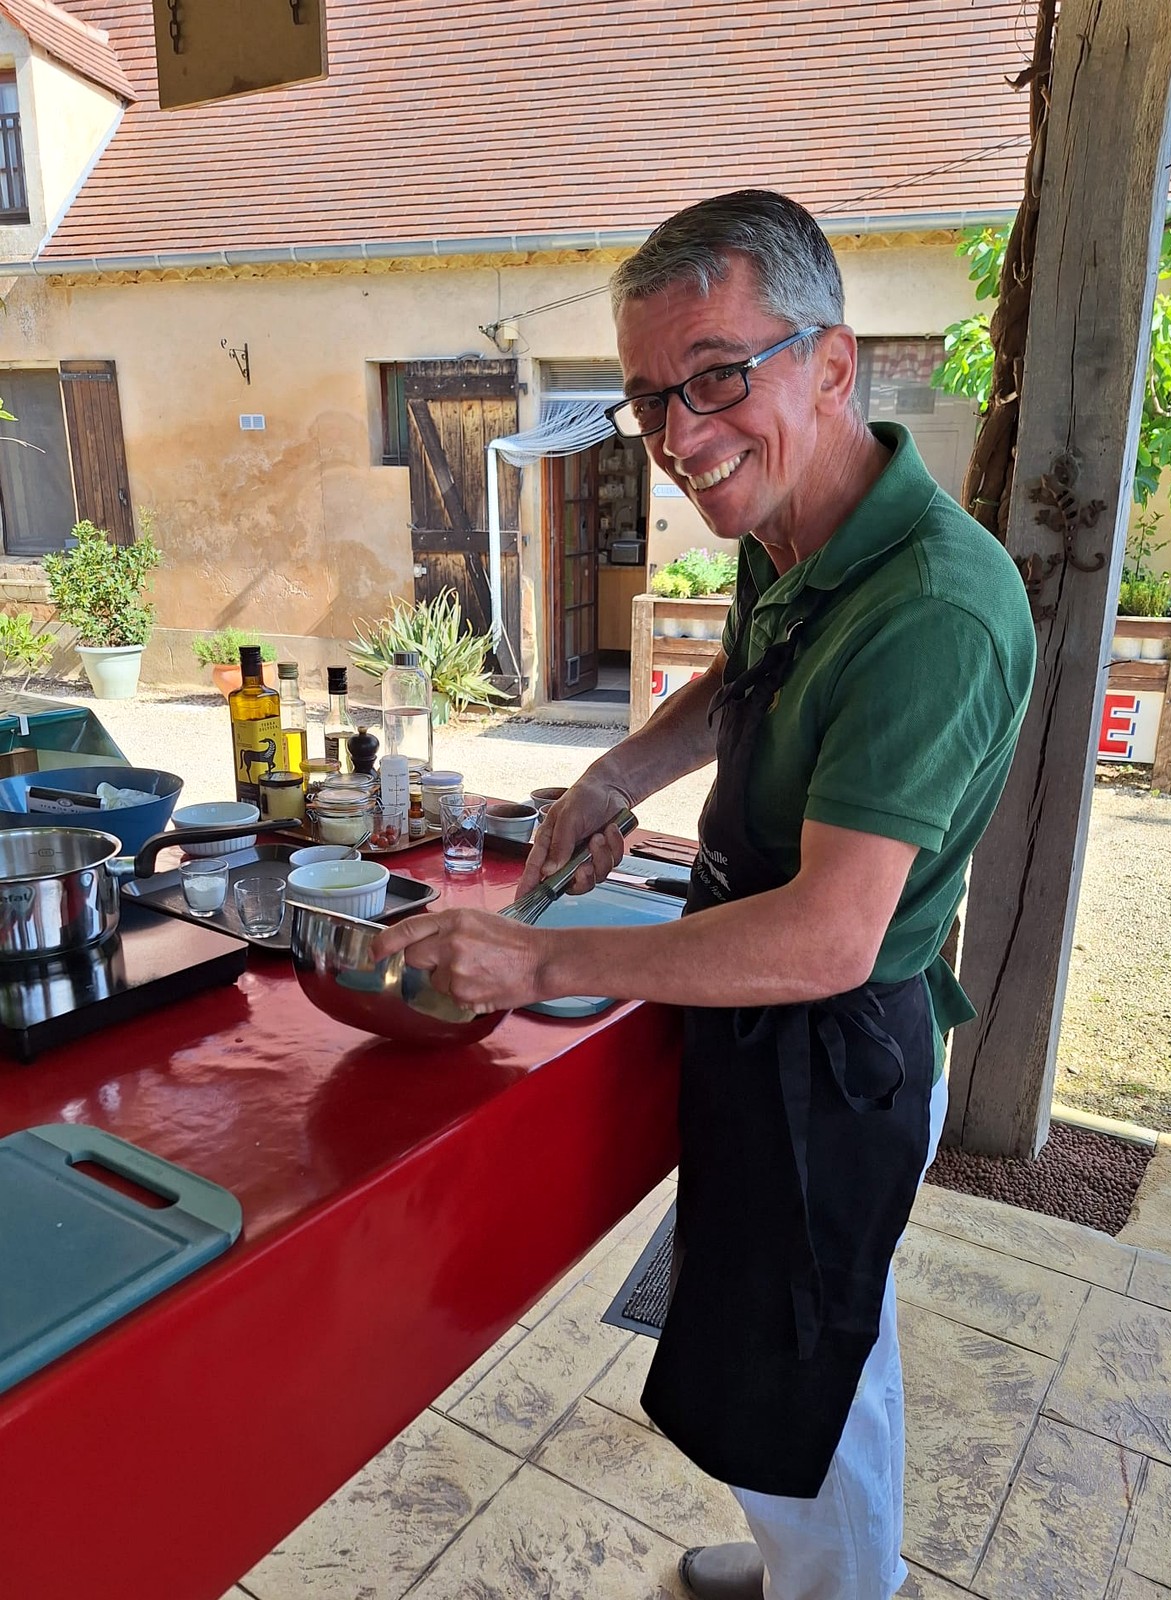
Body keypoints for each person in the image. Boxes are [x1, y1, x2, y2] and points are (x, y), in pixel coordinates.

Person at [374, 189, 1036, 1600]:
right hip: (771, 1017)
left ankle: (839, 1588)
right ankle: (811, 1557)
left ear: (834, 363)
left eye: (718, 376)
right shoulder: (799, 528)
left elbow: (823, 933)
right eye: (648, 399)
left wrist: (534, 964)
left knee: (812, 1359)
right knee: (800, 1339)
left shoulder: (931, 606)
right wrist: (615, 777)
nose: (678, 438)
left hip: (834, 1036)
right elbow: (746, 682)